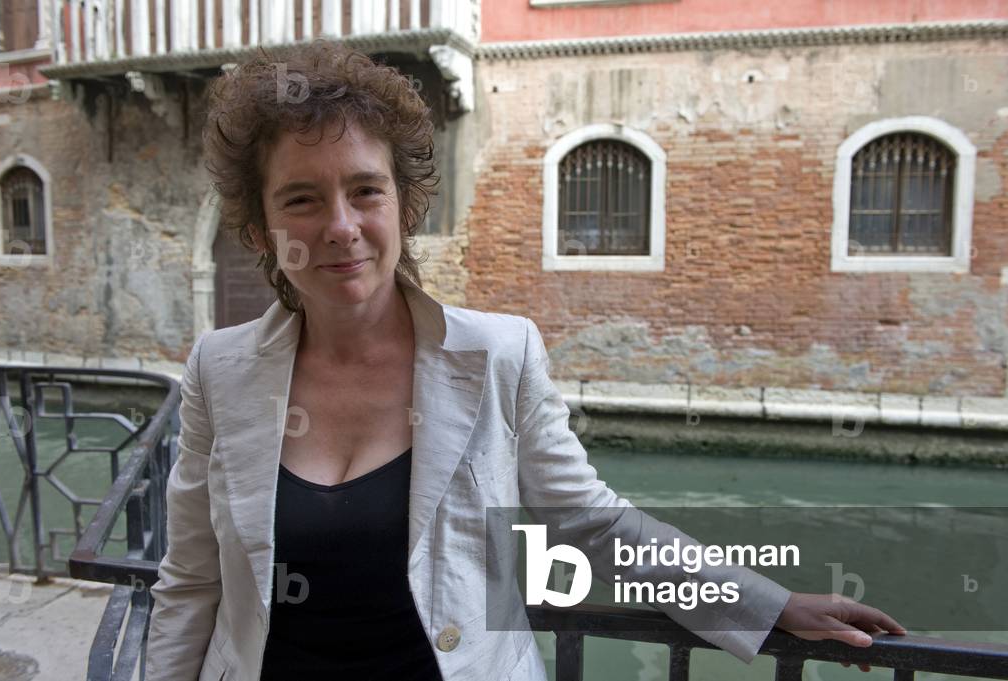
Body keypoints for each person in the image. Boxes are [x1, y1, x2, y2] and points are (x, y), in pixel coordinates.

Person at [144, 40, 905, 681]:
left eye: (365, 190)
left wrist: (766, 604)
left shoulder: (498, 354)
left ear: (404, 209)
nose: (341, 226)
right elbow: (191, 581)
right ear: (261, 228)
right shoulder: (219, 366)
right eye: (302, 199)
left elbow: (590, 522)